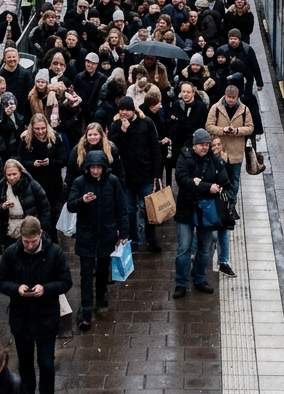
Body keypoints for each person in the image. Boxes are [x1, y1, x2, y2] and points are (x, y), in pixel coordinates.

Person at [0, 217, 73, 394]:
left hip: (46, 318)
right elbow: (0, 281)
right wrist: (17, 289)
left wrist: (45, 289)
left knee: (47, 364)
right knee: (25, 365)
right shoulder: (11, 253)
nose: (29, 246)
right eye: (26, 241)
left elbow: (66, 282)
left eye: (33, 241)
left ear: (40, 234)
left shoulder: (55, 252)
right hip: (21, 319)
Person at [65, 150, 131, 330]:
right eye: (92, 167)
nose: (95, 171)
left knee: (102, 271)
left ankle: (101, 297)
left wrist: (124, 233)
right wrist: (82, 201)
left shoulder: (112, 181)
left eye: (98, 167)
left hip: (106, 234)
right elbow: (70, 205)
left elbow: (121, 208)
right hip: (86, 235)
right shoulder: (80, 182)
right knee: (86, 274)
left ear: (104, 167)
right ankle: (86, 310)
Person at [173, 129, 233, 299]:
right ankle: (181, 283)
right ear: (194, 146)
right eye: (201, 145)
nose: (205, 148)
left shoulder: (214, 160)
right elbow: (182, 180)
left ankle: (199, 278)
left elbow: (225, 183)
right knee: (184, 248)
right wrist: (206, 186)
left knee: (205, 248)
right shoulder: (184, 157)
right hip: (186, 209)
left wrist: (200, 184)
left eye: (207, 144)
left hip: (206, 212)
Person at [205, 85, 253, 278]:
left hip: (236, 153)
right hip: (221, 153)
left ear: (237, 97)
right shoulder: (216, 108)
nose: (231, 101)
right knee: (221, 180)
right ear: (225, 96)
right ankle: (225, 204)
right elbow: (209, 126)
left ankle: (230, 204)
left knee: (234, 181)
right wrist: (223, 130)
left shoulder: (244, 110)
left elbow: (250, 128)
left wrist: (238, 130)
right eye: (228, 98)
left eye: (233, 98)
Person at [107, 96, 164, 253]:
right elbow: (113, 148)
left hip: (145, 174)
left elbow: (155, 149)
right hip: (126, 177)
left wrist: (156, 173)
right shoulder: (116, 125)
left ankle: (150, 238)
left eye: (127, 110)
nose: (124, 113)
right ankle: (132, 238)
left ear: (133, 110)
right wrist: (123, 132)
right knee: (129, 210)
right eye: (122, 110)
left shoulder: (146, 123)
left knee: (148, 208)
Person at [0, 159, 52, 254]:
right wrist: (2, 207)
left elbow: (44, 207)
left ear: (20, 172)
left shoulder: (32, 184)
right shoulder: (0, 187)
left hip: (29, 228)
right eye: (9, 175)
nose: (12, 178)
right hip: (9, 230)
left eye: (14, 174)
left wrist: (43, 228)